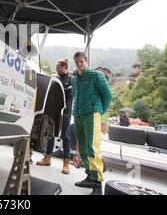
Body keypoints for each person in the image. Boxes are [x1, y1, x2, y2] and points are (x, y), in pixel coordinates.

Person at [71, 52, 112, 195]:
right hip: (78, 115)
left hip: (92, 113)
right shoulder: (74, 78)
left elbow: (107, 95)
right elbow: (75, 95)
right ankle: (90, 176)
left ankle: (98, 184)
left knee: (92, 147)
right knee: (83, 147)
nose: (79, 64)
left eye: (81, 61)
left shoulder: (96, 75)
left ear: (86, 61)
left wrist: (99, 111)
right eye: (77, 62)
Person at [36, 59, 73, 175]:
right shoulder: (55, 78)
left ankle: (66, 163)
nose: (56, 69)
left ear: (65, 67)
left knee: (65, 136)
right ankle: (47, 158)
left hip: (66, 111)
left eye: (58, 67)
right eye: (56, 67)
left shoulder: (71, 79)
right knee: (51, 133)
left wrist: (66, 90)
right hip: (54, 111)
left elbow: (71, 94)